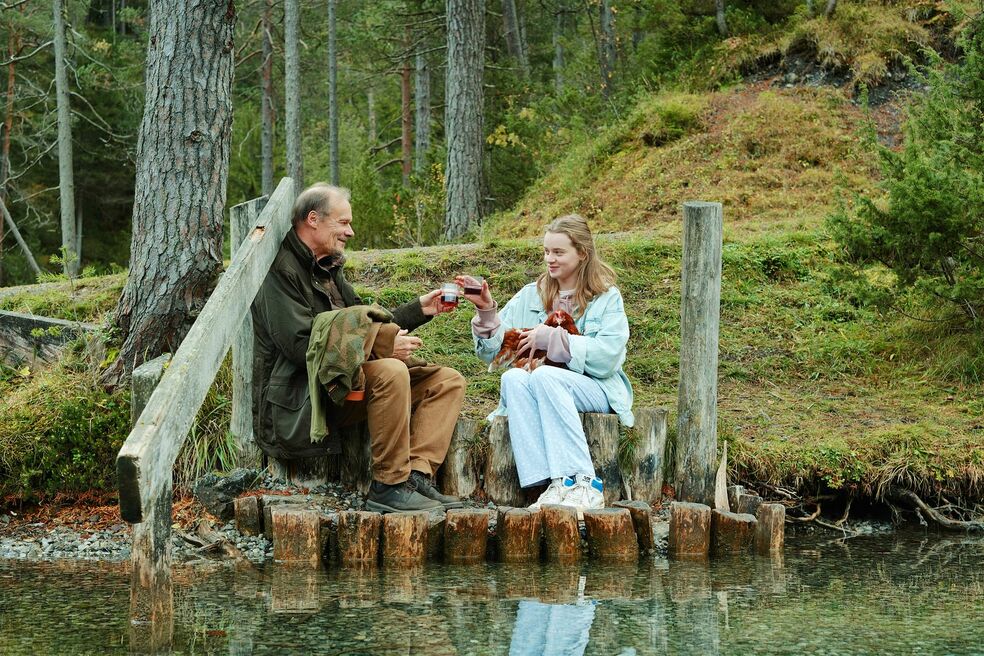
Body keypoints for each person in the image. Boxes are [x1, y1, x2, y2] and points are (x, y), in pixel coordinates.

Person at [252, 182, 466, 513]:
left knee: (446, 381)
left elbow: (362, 324)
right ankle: (388, 487)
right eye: (343, 222)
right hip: (305, 398)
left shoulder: (327, 269)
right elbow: (300, 345)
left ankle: (415, 478)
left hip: (345, 383)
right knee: (391, 371)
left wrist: (419, 310)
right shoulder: (280, 270)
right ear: (313, 219)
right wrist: (382, 347)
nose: (350, 232)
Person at [458, 214, 633, 516]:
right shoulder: (532, 294)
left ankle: (584, 483)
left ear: (582, 253)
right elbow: (495, 353)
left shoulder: (606, 297)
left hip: (597, 387)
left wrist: (554, 339)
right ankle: (550, 484)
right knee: (513, 379)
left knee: (545, 376)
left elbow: (609, 357)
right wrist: (486, 311)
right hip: (548, 384)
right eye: (546, 251)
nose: (549, 259)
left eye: (558, 252)